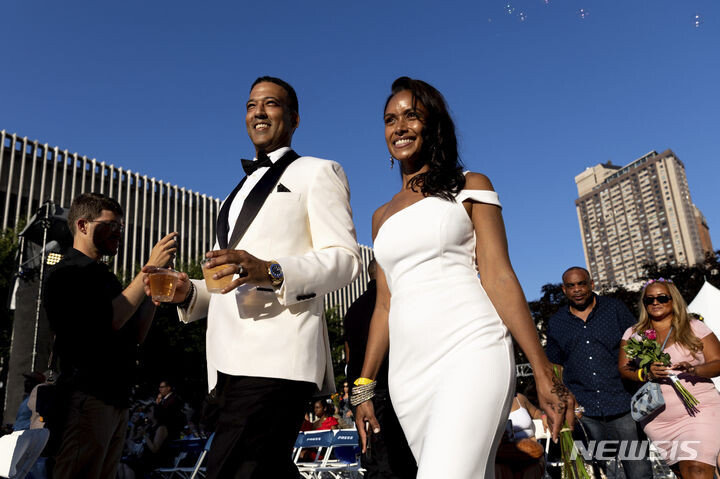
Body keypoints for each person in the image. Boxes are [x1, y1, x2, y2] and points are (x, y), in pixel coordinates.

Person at [353, 77, 575, 479]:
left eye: (411, 116)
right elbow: (384, 304)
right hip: (408, 374)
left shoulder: (470, 186)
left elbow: (499, 276)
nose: (399, 127)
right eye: (390, 119)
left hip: (471, 349)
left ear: (433, 125)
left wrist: (542, 370)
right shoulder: (380, 217)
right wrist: (363, 387)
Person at [147, 76, 361, 478]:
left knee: (231, 470)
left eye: (271, 103)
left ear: (294, 118)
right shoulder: (234, 194)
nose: (258, 111)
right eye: (251, 105)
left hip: (279, 357)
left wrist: (272, 270)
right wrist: (187, 292)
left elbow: (346, 260)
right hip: (225, 366)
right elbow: (226, 285)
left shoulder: (318, 172)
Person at [44, 192, 177, 479]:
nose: (118, 233)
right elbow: (107, 322)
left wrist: (152, 295)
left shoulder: (105, 276)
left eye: (121, 226)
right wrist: (146, 272)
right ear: (82, 225)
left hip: (116, 399)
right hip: (87, 397)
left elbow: (135, 335)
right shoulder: (66, 273)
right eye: (111, 225)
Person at [546, 267, 652, 478]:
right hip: (585, 412)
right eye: (571, 286)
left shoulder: (615, 309)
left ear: (591, 284)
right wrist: (563, 399)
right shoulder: (557, 322)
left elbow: (638, 345)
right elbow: (554, 366)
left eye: (581, 284)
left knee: (639, 471)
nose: (577, 289)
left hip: (624, 404)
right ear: (564, 290)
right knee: (601, 473)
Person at [618, 278, 720, 479]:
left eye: (662, 298)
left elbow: (718, 361)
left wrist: (695, 369)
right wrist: (645, 373)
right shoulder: (634, 334)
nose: (655, 302)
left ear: (673, 300)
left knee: (696, 469)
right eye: (649, 300)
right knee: (685, 473)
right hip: (658, 420)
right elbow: (623, 368)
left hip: (700, 410)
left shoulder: (694, 326)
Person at [344, 258, 416, 478]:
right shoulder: (394, 301)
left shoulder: (352, 310)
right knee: (402, 465)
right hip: (391, 391)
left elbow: (348, 357)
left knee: (374, 463)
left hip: (362, 395)